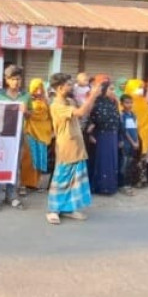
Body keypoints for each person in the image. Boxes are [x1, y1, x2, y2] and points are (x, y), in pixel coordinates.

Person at [46, 73, 101, 225]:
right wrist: (93, 95)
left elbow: (83, 113)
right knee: (62, 178)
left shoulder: (69, 101)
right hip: (66, 146)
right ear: (59, 88)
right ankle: (53, 210)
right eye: (69, 84)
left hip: (77, 144)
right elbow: (80, 112)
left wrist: (91, 97)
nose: (72, 87)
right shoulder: (56, 105)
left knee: (74, 181)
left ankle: (68, 208)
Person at [0, 65, 28, 211]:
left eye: (18, 79)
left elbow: (31, 115)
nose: (16, 82)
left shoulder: (26, 96)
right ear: (7, 80)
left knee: (14, 166)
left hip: (18, 136)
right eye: (13, 79)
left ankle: (11, 196)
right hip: (1, 135)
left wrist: (26, 111)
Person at [88, 75, 120, 195]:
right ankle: (100, 187)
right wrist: (91, 134)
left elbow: (118, 120)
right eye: (111, 89)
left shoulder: (112, 104)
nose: (113, 92)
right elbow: (91, 119)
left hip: (112, 135)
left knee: (111, 161)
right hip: (101, 136)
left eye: (114, 89)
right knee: (102, 161)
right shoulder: (97, 103)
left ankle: (110, 187)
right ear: (104, 90)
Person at [22, 78, 53, 192]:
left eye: (40, 89)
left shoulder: (46, 101)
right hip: (31, 132)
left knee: (40, 158)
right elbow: (26, 114)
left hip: (43, 134)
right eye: (36, 89)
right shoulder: (27, 100)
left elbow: (50, 115)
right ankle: (26, 183)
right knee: (29, 159)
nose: (39, 92)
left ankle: (35, 183)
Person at [123, 79, 148, 188]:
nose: (141, 90)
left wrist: (145, 129)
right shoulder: (124, 103)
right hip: (129, 136)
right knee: (129, 159)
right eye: (138, 87)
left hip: (143, 135)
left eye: (142, 87)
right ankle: (128, 181)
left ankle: (141, 180)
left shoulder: (144, 102)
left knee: (142, 159)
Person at [118, 94, 138, 196]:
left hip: (133, 144)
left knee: (130, 164)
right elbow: (124, 131)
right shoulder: (122, 116)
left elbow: (136, 129)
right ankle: (123, 185)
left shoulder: (133, 115)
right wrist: (133, 142)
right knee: (124, 164)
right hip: (126, 144)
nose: (129, 105)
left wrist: (137, 141)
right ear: (121, 104)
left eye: (130, 102)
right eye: (126, 103)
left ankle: (129, 184)